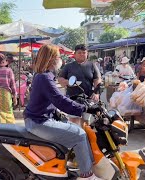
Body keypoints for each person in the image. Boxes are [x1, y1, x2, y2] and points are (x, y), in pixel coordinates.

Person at [24, 44, 101, 180]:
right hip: (39, 122)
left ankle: (76, 163)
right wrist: (84, 108)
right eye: (58, 57)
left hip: (41, 118)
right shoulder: (44, 77)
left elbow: (55, 99)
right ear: (51, 59)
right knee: (79, 134)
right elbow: (59, 100)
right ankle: (87, 176)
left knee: (75, 129)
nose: (60, 60)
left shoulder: (44, 75)